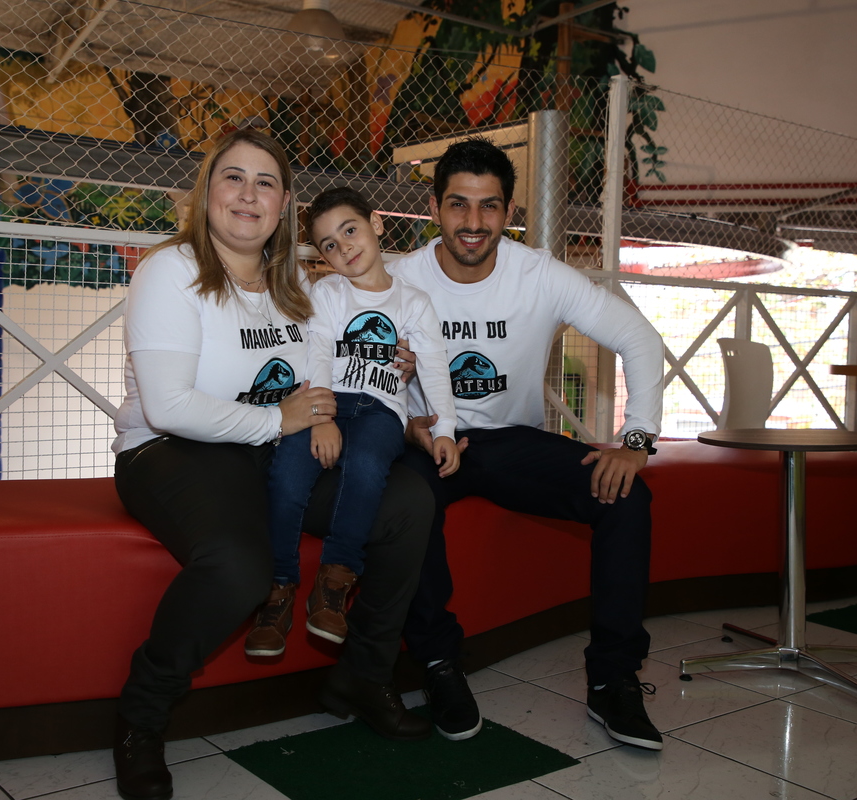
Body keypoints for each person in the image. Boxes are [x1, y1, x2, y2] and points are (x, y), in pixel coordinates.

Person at [111, 130, 434, 800]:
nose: (248, 194)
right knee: (240, 565)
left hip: (269, 448)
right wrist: (278, 421)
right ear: (207, 190)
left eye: (265, 182)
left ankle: (363, 675)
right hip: (170, 450)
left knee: (407, 503)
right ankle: (141, 716)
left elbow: (345, 356)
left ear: (284, 203)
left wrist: (395, 367)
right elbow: (169, 406)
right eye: (233, 177)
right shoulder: (171, 270)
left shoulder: (297, 282)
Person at [390, 137, 666, 749]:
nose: (473, 221)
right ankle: (438, 665)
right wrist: (406, 427)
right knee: (407, 503)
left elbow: (640, 338)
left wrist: (636, 440)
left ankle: (613, 680)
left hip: (511, 442)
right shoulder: (398, 279)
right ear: (434, 208)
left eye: (488, 206)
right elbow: (355, 374)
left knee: (627, 498)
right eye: (458, 204)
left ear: (509, 212)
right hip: (429, 441)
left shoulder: (539, 274)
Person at [246, 187, 460, 657]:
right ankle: (278, 589)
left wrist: (444, 430)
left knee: (366, 465)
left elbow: (435, 367)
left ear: (376, 224)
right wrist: (323, 416)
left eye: (350, 230)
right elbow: (319, 352)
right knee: (287, 472)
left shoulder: (414, 301)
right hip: (329, 401)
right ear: (322, 257)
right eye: (329, 244)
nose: (344, 247)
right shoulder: (328, 293)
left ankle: (334, 581)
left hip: (382, 410)